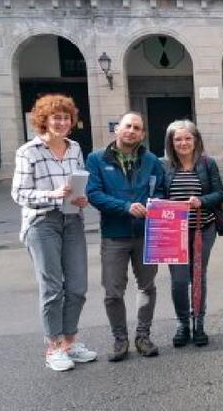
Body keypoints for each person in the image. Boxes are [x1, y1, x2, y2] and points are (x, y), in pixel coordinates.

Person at [11, 94, 97, 371]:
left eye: (65, 117)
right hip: (42, 223)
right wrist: (53, 195)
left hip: (72, 219)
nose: (61, 122)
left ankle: (70, 341)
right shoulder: (29, 151)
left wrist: (81, 197)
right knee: (52, 288)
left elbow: (78, 181)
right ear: (43, 120)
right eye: (55, 117)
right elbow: (19, 194)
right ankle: (54, 347)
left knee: (78, 286)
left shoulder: (74, 148)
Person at [86, 111, 166, 361]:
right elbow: (93, 193)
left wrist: (156, 204)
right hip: (114, 235)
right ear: (117, 129)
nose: (131, 131)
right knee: (112, 291)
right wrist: (124, 207)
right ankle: (120, 339)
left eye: (137, 128)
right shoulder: (97, 159)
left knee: (147, 286)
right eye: (127, 126)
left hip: (146, 234)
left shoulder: (152, 160)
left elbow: (161, 190)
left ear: (142, 134)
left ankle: (143, 336)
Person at [160, 120, 223, 347]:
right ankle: (183, 324)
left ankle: (199, 322)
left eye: (188, 138)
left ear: (196, 140)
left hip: (203, 229)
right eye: (177, 139)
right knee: (179, 280)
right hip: (173, 232)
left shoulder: (207, 164)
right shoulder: (164, 166)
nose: (183, 142)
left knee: (198, 275)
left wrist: (202, 201)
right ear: (171, 142)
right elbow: (158, 193)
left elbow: (219, 193)